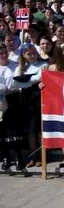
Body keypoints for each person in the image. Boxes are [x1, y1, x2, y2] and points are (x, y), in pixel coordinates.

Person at [12, 43, 49, 168]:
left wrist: (25, 80)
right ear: (24, 55)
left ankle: (42, 156)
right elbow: (15, 83)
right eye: (29, 54)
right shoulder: (21, 68)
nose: (32, 56)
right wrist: (31, 81)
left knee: (39, 129)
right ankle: (34, 157)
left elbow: (41, 77)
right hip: (26, 101)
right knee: (30, 130)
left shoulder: (43, 64)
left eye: (34, 53)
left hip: (39, 99)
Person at [0, 43, 23, 171]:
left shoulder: (14, 65)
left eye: (5, 52)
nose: (3, 55)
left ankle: (18, 156)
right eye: (1, 53)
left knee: (13, 130)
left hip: (13, 98)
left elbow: (18, 82)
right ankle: (5, 157)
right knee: (2, 130)